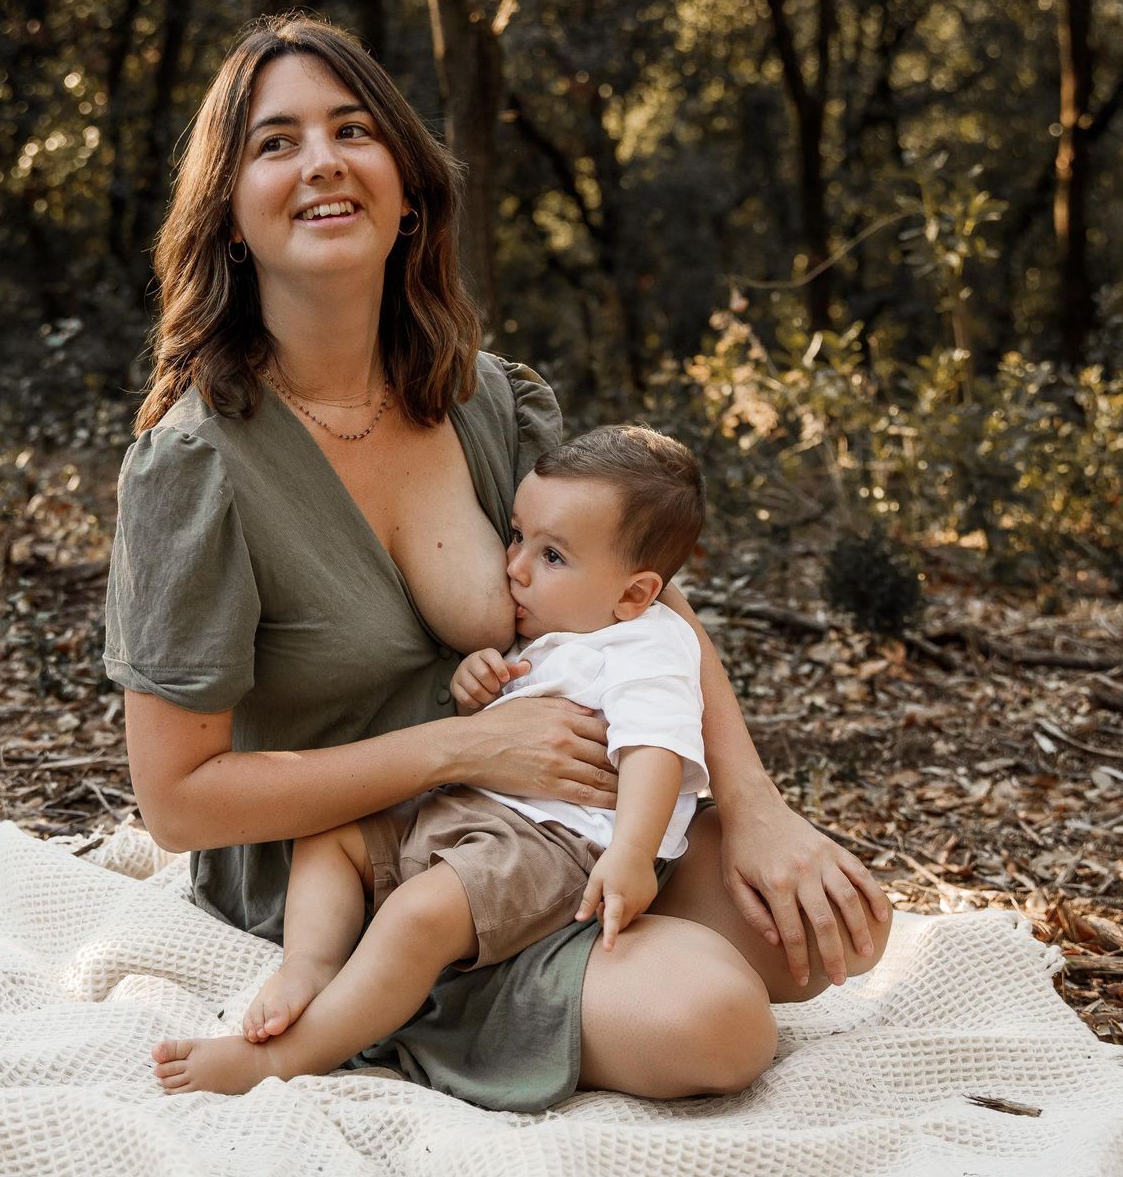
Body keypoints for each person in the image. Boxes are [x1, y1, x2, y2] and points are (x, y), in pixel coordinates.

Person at [106, 12, 891, 1112]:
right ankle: (377, 1004)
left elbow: (645, 610)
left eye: (353, 129)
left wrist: (756, 804)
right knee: (716, 1024)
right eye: (276, 143)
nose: (323, 161)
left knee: (831, 928)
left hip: (551, 815)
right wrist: (465, 746)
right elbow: (178, 803)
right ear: (230, 215)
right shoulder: (195, 464)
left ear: (407, 190)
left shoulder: (488, 397)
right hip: (354, 862)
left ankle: (588, 939)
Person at [152, 426, 714, 1095]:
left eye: (552, 555)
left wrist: (631, 854)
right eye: (516, 537)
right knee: (331, 838)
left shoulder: (649, 647)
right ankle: (309, 965)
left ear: (635, 594)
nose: (516, 567)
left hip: (556, 843)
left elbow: (655, 749)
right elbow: (509, 723)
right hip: (473, 808)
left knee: (420, 915)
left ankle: (280, 1059)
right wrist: (480, 687)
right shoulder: (565, 627)